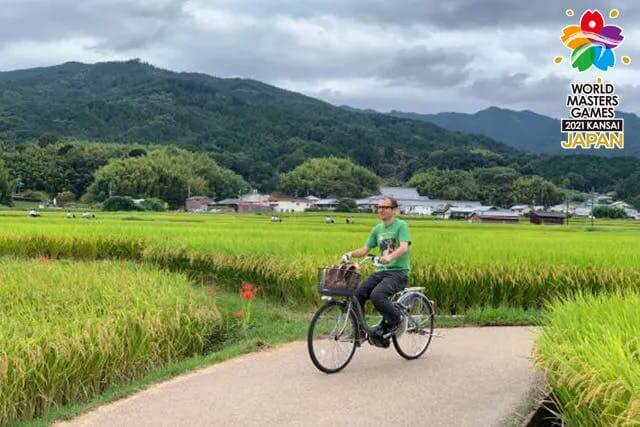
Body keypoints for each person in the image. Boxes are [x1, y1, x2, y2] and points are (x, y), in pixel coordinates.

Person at [342, 196, 411, 346]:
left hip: (398, 273)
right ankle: (359, 331)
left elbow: (404, 246)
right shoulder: (377, 229)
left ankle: (396, 319)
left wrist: (390, 257)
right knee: (357, 294)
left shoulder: (401, 225)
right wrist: (350, 254)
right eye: (379, 207)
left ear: (394, 210)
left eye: (385, 207)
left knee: (377, 295)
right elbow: (365, 249)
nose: (381, 210)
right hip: (381, 272)